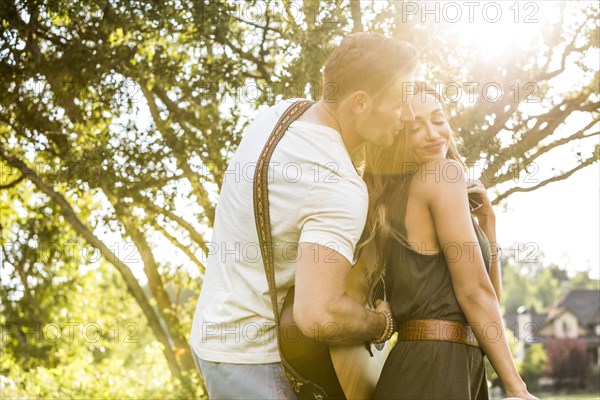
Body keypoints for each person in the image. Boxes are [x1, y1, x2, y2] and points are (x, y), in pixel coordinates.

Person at [189, 33, 417, 399]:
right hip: (255, 361)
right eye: (399, 102)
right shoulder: (338, 184)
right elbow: (319, 315)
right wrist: (381, 323)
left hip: (213, 336)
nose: (407, 116)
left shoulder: (280, 114)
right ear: (360, 103)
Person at [357, 82, 537, 399]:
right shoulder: (442, 175)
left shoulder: (394, 200)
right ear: (396, 136)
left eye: (438, 119)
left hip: (439, 365)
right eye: (415, 127)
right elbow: (474, 294)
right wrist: (516, 387)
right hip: (438, 369)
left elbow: (488, 299)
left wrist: (487, 225)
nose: (432, 133)